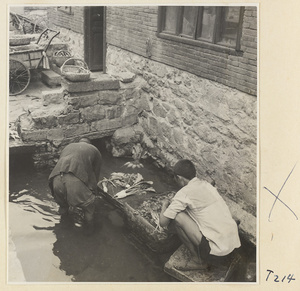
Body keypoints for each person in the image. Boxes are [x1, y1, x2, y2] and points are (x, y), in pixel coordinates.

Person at [159, 159, 241, 271]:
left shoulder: (183, 193)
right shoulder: (207, 185)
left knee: (178, 217)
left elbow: (163, 223)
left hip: (216, 252)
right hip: (233, 243)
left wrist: (164, 205)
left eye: (175, 178)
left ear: (179, 178)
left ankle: (197, 261)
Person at [49, 137, 102, 234]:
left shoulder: (68, 147)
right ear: (89, 144)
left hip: (55, 180)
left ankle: (63, 229)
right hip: (74, 181)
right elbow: (95, 175)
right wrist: (93, 193)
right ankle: (90, 234)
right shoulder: (94, 150)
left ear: (79, 142)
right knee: (89, 207)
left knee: (63, 206)